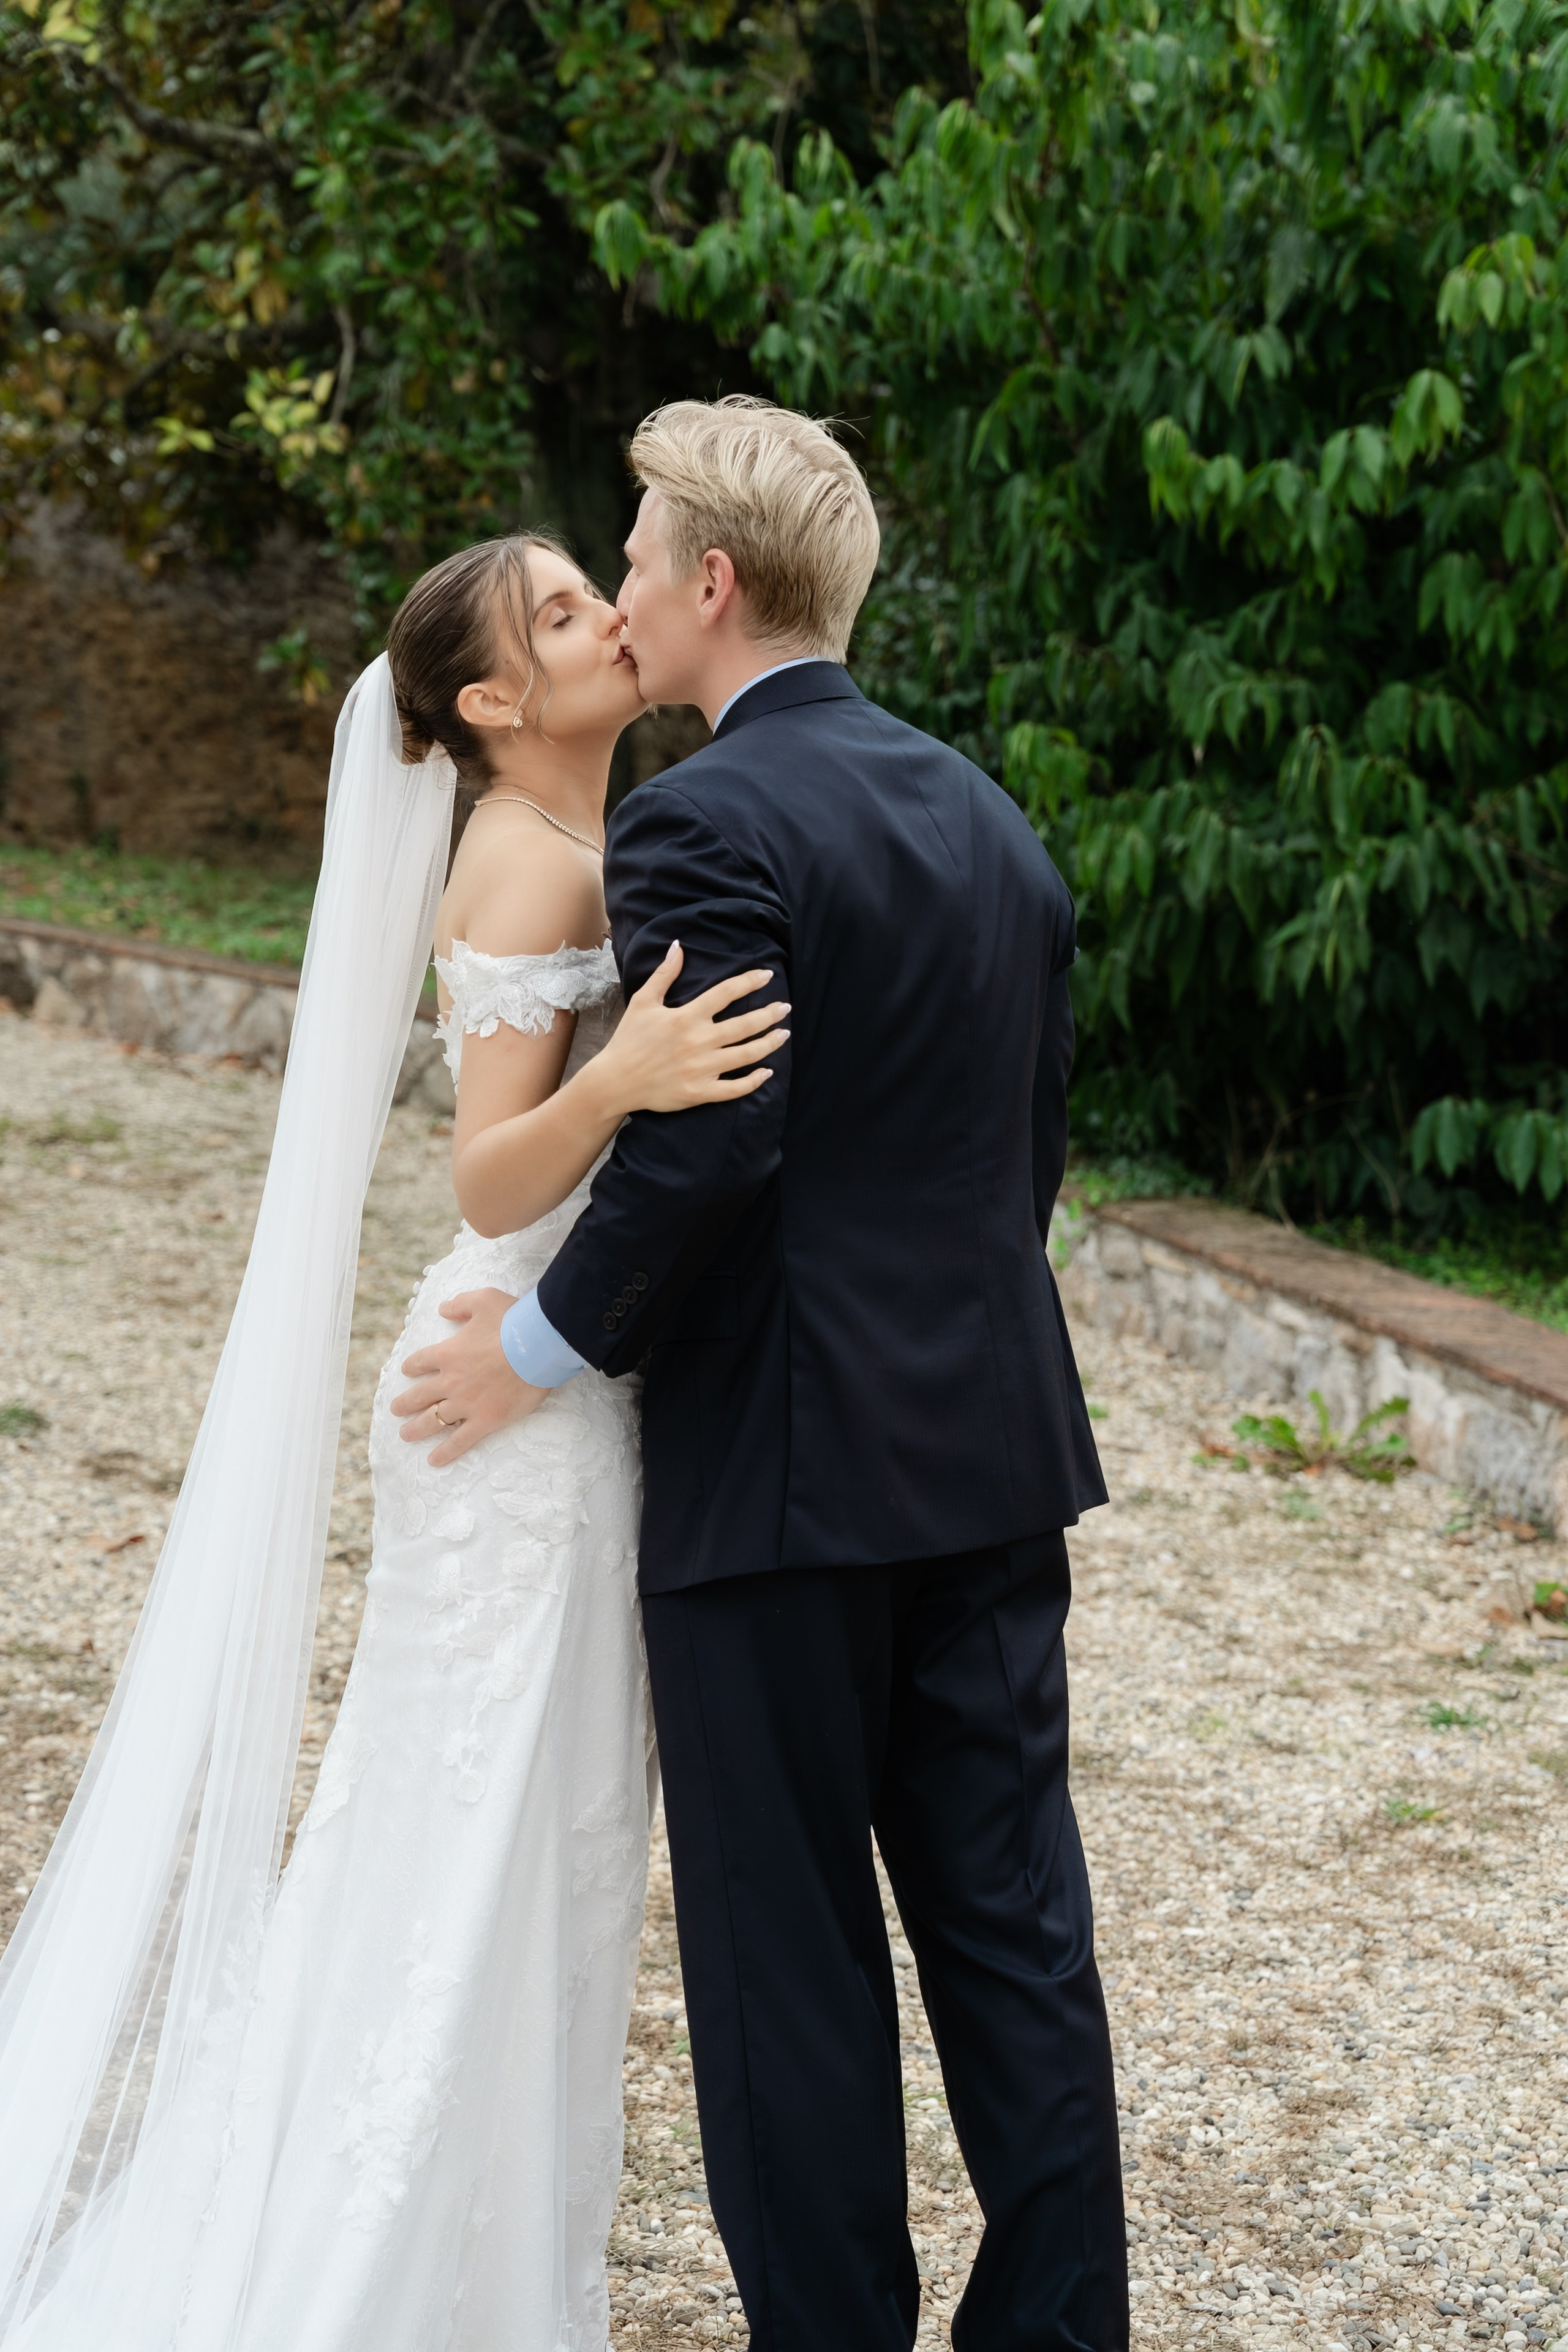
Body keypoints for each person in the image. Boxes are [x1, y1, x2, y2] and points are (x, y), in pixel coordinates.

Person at [396, 396, 1128, 2352]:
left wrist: (537, 1348)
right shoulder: (991, 820)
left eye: (635, 561)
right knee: (1018, 1943)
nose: (625, 594)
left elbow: (709, 1144)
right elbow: (1022, 1159)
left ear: (713, 582)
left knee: (789, 1961)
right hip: (990, 1459)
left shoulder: (702, 818)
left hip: (781, 1486)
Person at [0, 533, 783, 2349]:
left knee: (512, 1837)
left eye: (595, 588)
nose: (608, 616)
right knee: (480, 1837)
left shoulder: (581, 832)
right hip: (505, 1401)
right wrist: (621, 1080)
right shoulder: (527, 858)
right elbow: (488, 1173)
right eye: (566, 613)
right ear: (496, 698)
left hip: (556, 1384)